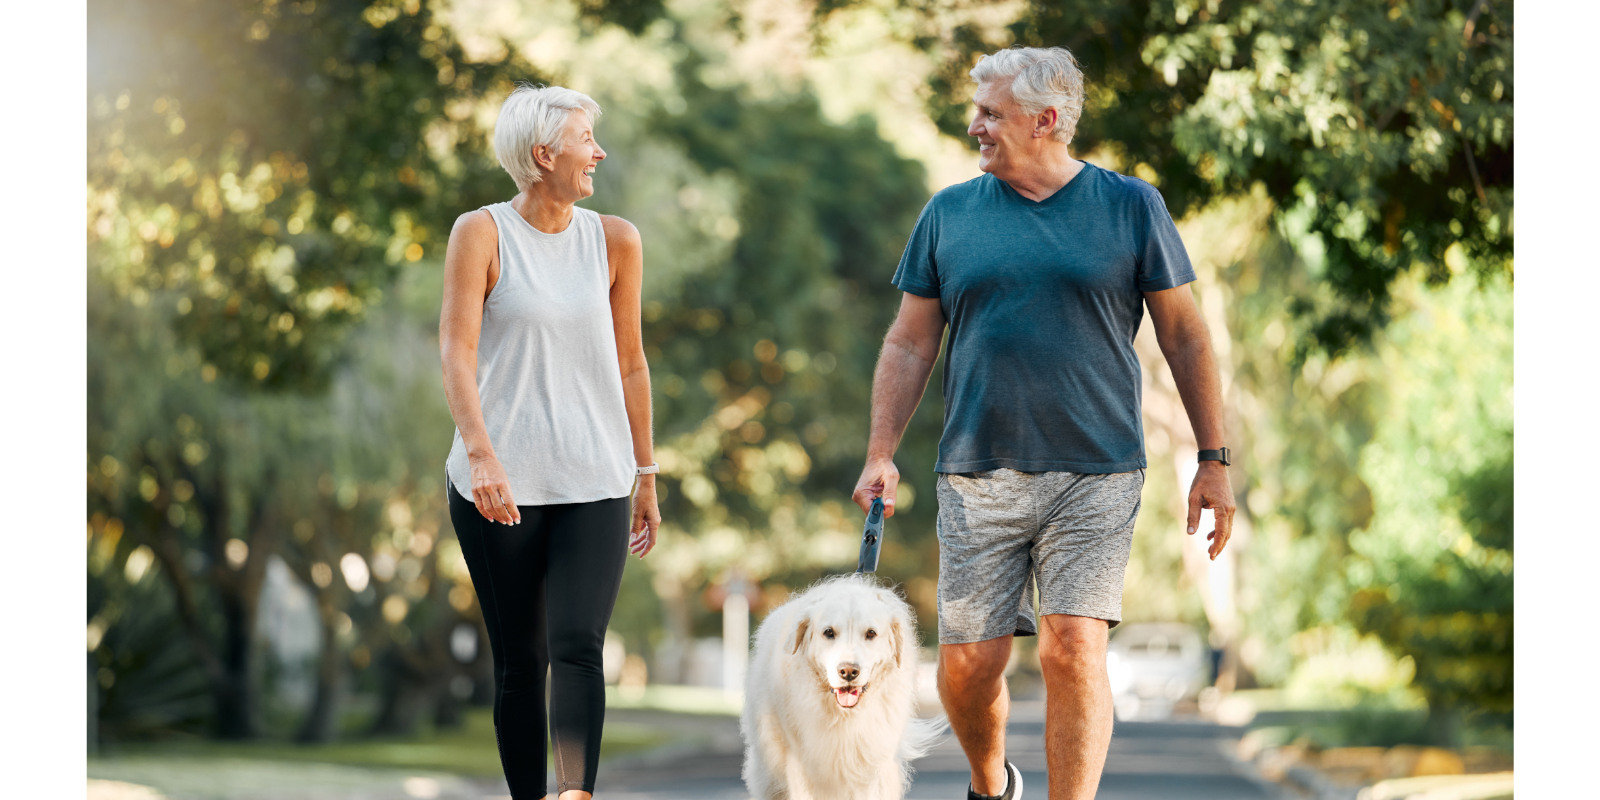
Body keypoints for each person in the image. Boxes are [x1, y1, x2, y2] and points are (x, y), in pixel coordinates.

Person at [851, 47, 1237, 800]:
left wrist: (1212, 457)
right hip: (977, 471)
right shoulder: (949, 214)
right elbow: (909, 342)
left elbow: (1185, 335)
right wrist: (880, 452)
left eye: (990, 113)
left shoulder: (1130, 206)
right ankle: (991, 782)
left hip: (1098, 468)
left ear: (1046, 120)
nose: (975, 126)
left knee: (1073, 648)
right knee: (968, 667)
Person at [440, 84, 661, 800]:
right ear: (543, 154)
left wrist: (646, 472)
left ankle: (576, 794)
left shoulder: (615, 240)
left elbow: (631, 362)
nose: (599, 152)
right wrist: (481, 456)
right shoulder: (481, 233)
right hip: (498, 484)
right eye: (585, 139)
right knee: (521, 658)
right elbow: (455, 353)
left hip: (595, 479)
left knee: (578, 648)